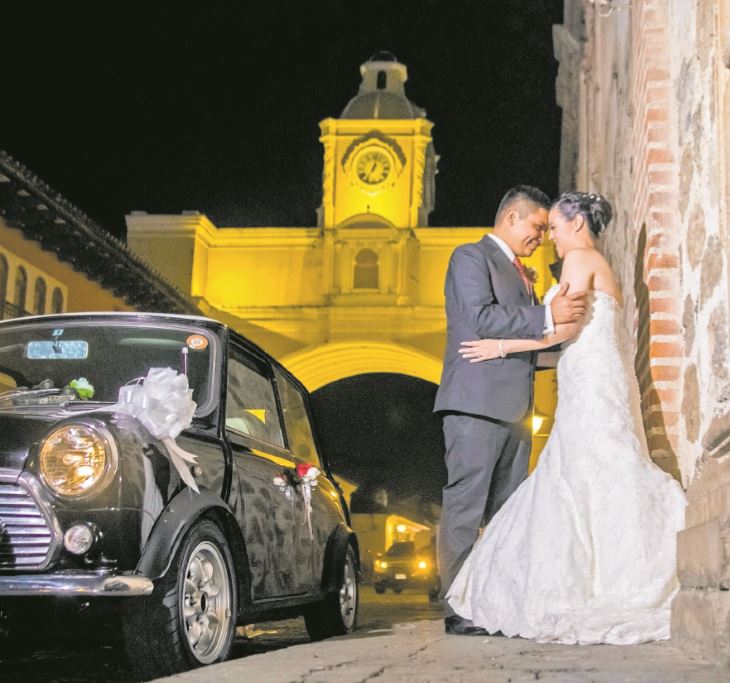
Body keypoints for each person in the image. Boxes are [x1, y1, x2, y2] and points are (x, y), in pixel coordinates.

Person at [446, 191, 686, 644]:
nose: (548, 237)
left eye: (553, 227)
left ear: (576, 224)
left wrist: (501, 347)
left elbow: (567, 329)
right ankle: (605, 573)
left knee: (586, 472)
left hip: (591, 380)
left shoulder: (578, 257)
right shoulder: (591, 259)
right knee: (591, 472)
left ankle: (597, 580)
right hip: (595, 375)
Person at [434, 185, 589, 636]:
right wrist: (546, 316)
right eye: (537, 227)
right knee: (465, 507)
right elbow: (480, 318)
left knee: (506, 515)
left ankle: (495, 603)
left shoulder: (525, 273)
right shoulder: (470, 257)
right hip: (475, 406)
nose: (541, 237)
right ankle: (457, 608)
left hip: (516, 411)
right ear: (512, 218)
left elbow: (524, 347)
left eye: (545, 230)